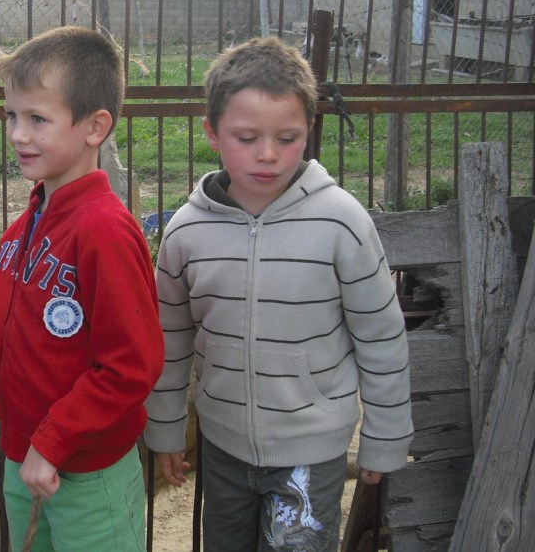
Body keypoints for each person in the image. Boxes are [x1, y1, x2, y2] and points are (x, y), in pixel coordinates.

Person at [143, 36, 414, 551]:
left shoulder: (342, 222)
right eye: (247, 137)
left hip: (311, 455)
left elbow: (381, 336)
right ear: (212, 133)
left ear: (308, 131)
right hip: (221, 449)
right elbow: (170, 340)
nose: (268, 154)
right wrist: (165, 431)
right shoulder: (185, 232)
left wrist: (384, 439)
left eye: (287, 138)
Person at [0, 25, 164, 551]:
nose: (16, 134)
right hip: (24, 462)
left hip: (87, 476)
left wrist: (52, 444)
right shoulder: (28, 221)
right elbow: (13, 314)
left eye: (37, 118)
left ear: (95, 127)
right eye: (12, 116)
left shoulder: (104, 229)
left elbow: (132, 365)